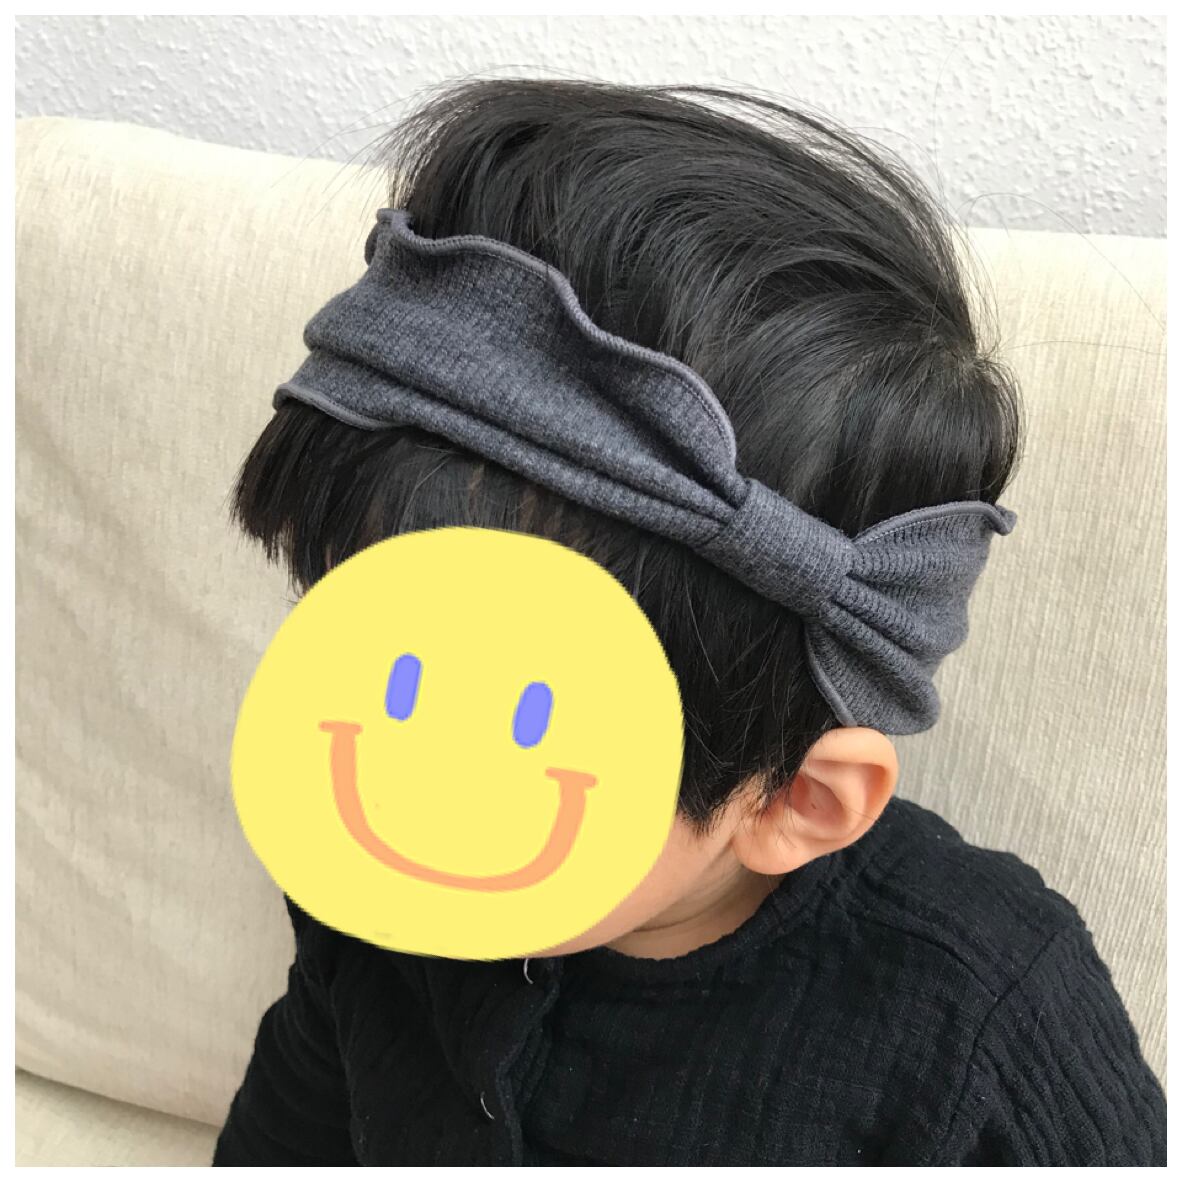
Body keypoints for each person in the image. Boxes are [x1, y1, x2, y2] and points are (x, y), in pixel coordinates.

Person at [212, 78, 1166, 1166]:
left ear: (797, 801)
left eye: (523, 722)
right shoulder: (366, 881)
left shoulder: (982, 1008)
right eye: (372, 658)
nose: (394, 767)